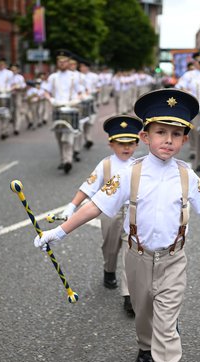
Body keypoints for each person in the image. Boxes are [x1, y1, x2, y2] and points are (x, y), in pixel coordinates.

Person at [33, 89, 200, 362]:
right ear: (145, 136)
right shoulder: (128, 173)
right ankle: (142, 344)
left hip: (173, 261)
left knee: (167, 326)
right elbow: (96, 206)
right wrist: (58, 232)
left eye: (176, 134)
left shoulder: (187, 175)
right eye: (161, 133)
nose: (169, 140)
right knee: (143, 312)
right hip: (136, 258)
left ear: (183, 139)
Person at [62, 114, 143, 316]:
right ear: (111, 144)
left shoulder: (140, 165)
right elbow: (88, 187)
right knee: (110, 245)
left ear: (137, 143)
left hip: (133, 213)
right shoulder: (105, 165)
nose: (126, 148)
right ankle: (109, 269)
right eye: (121, 143)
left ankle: (129, 295)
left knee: (131, 252)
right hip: (109, 212)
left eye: (131, 143)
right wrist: (72, 206)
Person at [43, 50, 86, 173]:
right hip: (57, 108)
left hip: (70, 108)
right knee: (59, 136)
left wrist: (76, 100)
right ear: (57, 62)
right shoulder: (53, 77)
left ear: (68, 62)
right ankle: (63, 159)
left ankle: (68, 160)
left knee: (68, 135)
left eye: (64, 61)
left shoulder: (74, 77)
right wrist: (50, 99)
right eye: (59, 61)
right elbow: (46, 91)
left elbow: (81, 92)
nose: (62, 63)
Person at [0, 56, 14, 140]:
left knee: (7, 114)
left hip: (7, 95)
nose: (0, 65)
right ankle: (3, 129)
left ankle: (5, 129)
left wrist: (8, 89)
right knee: (1, 114)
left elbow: (13, 84)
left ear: (5, 64)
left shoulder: (9, 73)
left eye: (2, 64)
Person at [10, 63, 26, 135]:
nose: (13, 71)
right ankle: (13, 126)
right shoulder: (8, 76)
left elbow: (23, 86)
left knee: (17, 112)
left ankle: (17, 128)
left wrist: (17, 87)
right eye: (12, 70)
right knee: (11, 112)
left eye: (15, 70)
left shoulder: (20, 77)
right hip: (9, 95)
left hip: (17, 95)